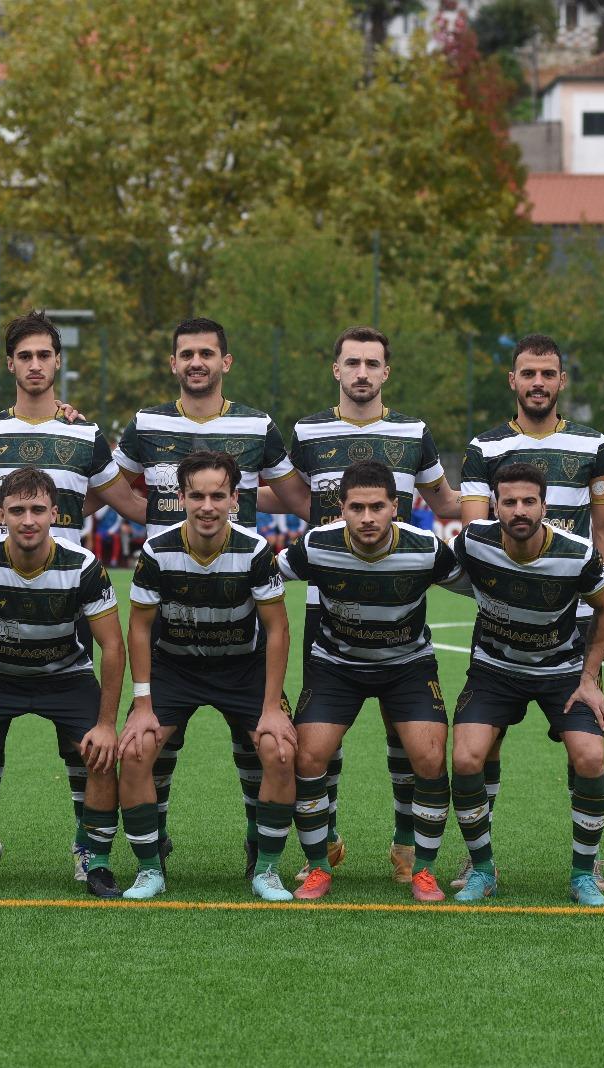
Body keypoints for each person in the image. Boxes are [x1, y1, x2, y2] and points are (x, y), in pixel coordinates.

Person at [0, 310, 147, 883]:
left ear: (58, 361)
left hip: (67, 606)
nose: (36, 365)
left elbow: (126, 503)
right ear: (11, 363)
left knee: (87, 749)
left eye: (45, 355)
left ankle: (88, 850)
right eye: (26, 356)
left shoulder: (84, 434)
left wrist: (209, 505)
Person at [264, 324, 463, 885]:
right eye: (352, 363)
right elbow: (290, 496)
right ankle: (323, 841)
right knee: (321, 732)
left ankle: (406, 843)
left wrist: (506, 517)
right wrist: (218, 501)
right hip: (328, 602)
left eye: (372, 364)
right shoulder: (307, 431)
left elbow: (444, 499)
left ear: (385, 372)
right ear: (336, 370)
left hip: (397, 598)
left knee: (409, 737)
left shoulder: (412, 432)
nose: (361, 374)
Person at [112, 317, 310, 875]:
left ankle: (262, 857)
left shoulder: (257, 426)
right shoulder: (145, 424)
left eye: (206, 353)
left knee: (268, 750)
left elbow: (298, 498)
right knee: (150, 749)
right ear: (173, 363)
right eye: (185, 354)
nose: (195, 362)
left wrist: (365, 517)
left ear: (226, 362)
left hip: (237, 617)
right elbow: (110, 486)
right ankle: (154, 858)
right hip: (172, 618)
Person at [453, 332, 604, 891]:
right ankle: (479, 861)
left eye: (548, 374)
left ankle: (586, 864)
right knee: (481, 747)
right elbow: (479, 528)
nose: (538, 383)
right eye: (529, 373)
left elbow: (603, 529)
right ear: (514, 380)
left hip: (571, 627)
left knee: (586, 750)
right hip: (505, 620)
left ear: (561, 381)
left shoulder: (593, 444)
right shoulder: (484, 448)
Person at [0, 467, 127, 899]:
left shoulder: (84, 565)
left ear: (55, 514)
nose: (28, 520)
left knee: (99, 754)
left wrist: (108, 724)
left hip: (68, 678)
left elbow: (113, 647)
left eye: (38, 509)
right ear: (0, 514)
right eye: (17, 510)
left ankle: (95, 857)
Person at [276, 460, 463, 901]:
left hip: (408, 665)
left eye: (377, 507)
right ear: (340, 507)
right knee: (308, 756)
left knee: (431, 758)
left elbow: (481, 587)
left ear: (395, 507)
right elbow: (262, 575)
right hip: (336, 666)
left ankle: (423, 868)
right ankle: (320, 865)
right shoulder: (316, 545)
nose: (367, 518)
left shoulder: (427, 549)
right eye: (356, 507)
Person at [115, 451, 297, 902]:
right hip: (175, 667)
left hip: (241, 668)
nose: (208, 506)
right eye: (196, 495)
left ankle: (266, 868)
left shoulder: (255, 552)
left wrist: (272, 708)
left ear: (235, 499)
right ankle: (149, 868)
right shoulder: (157, 551)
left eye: (219, 495)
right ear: (181, 498)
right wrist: (142, 704)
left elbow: (278, 630)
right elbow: (138, 627)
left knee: (279, 751)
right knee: (136, 752)